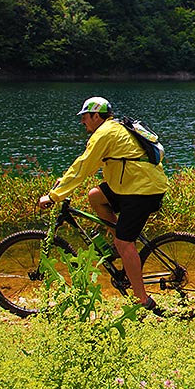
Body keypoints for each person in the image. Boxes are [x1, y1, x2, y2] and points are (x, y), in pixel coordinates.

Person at [38, 97, 168, 313]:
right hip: (130, 185)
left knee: (126, 243)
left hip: (143, 190)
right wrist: (66, 180)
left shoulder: (105, 133)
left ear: (96, 116)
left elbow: (84, 164)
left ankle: (142, 299)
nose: (82, 122)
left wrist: (54, 196)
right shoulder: (113, 129)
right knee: (96, 196)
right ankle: (117, 245)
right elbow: (88, 164)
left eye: (85, 117)